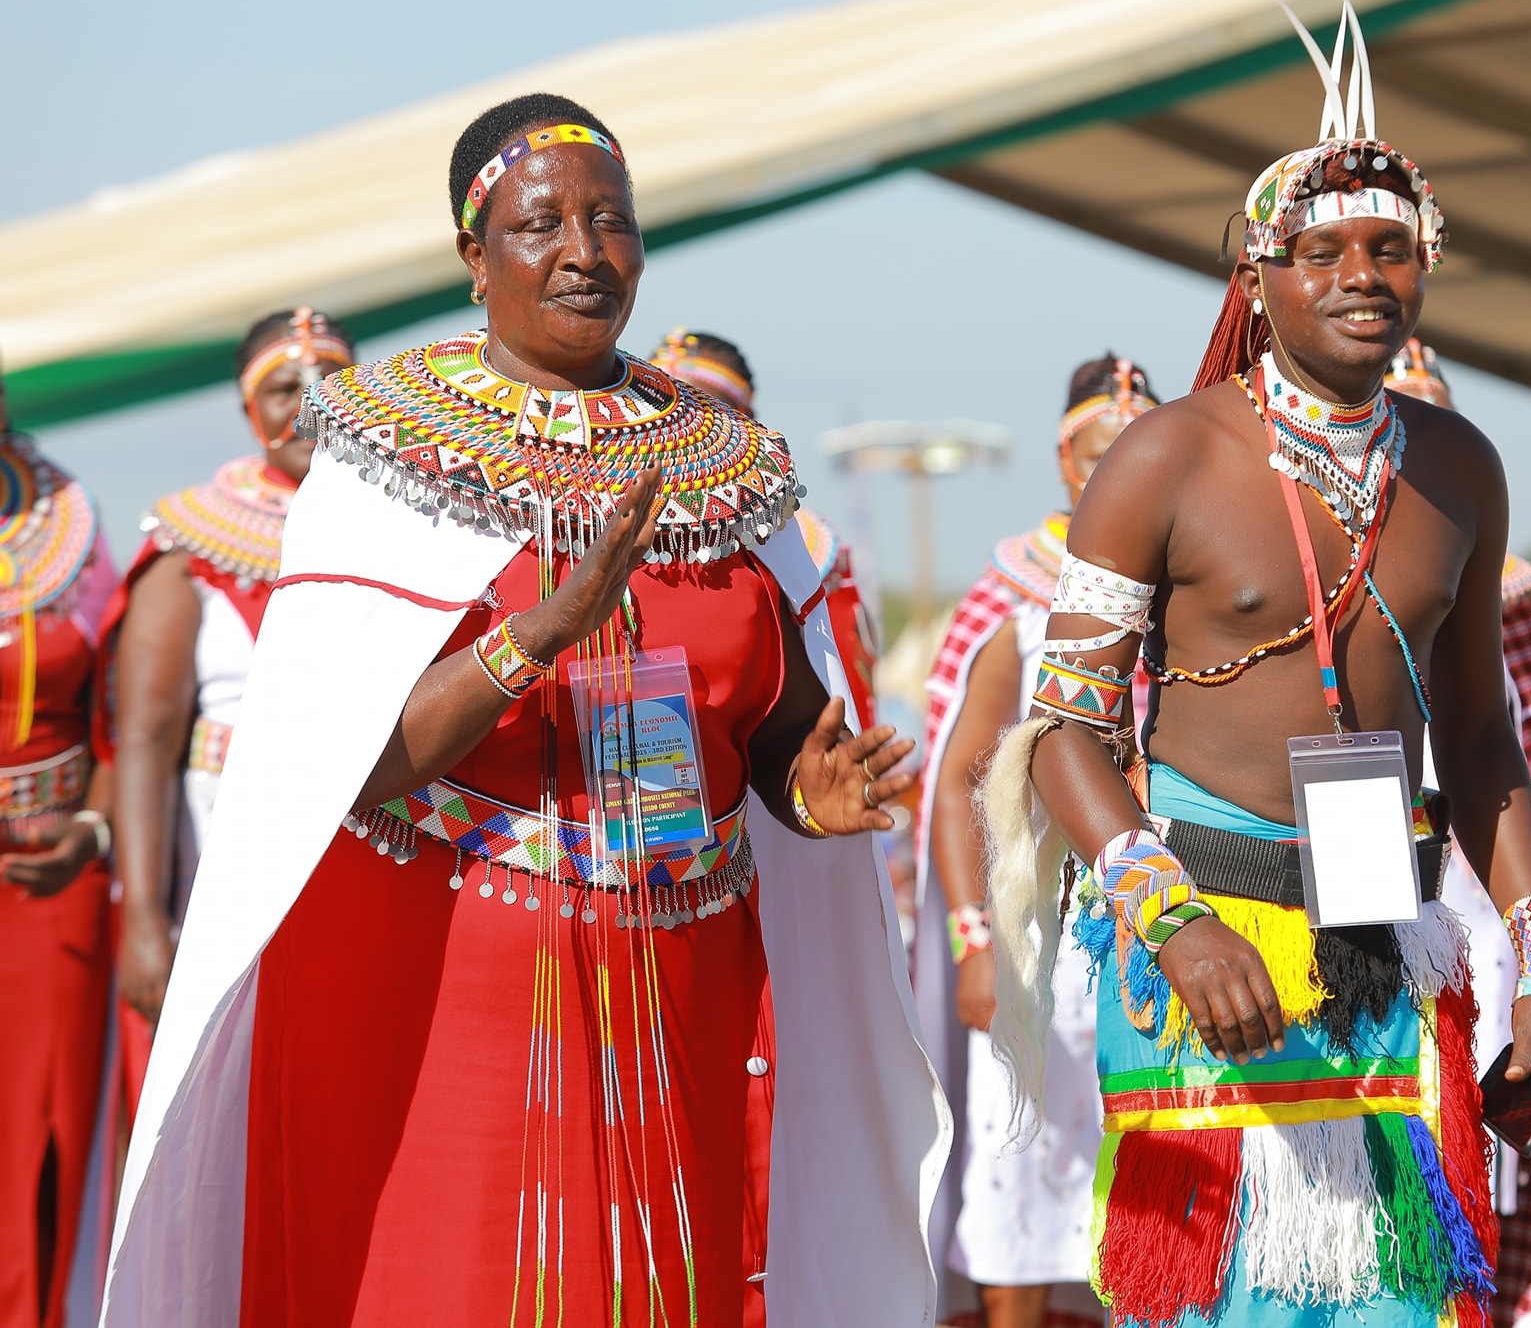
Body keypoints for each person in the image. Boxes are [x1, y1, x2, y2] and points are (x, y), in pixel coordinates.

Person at [102, 93, 948, 1328]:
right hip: (450, 972)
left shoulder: (715, 453)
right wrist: (534, 638)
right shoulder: (386, 455)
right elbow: (335, 765)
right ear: (472, 253)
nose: (582, 251)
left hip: (678, 963)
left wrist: (801, 790)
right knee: (459, 1280)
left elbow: (772, 712)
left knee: (661, 1280)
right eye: (538, 222)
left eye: (610, 220)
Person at [981, 6, 1531, 1328]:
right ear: (1257, 278)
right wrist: (1175, 922)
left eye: (1393, 249)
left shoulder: (1459, 464)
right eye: (1323, 252)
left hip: (1386, 930)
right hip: (1207, 930)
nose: (1365, 275)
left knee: (1393, 1295)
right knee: (1223, 1297)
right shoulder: (1167, 459)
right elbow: (1064, 730)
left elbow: (1483, 746)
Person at [917, 354, 1154, 1328]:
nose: (1115, 477)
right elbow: (956, 783)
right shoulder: (1018, 598)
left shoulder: (1179, 586)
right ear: (1064, 460)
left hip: (1149, 924)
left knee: (1135, 1170)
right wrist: (974, 938)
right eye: (1100, 456)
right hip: (1029, 929)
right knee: (1018, 1168)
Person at [99, 310, 354, 1071]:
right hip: (218, 847)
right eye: (283, 389)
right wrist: (144, 918)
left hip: (367, 837)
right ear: (249, 409)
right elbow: (144, 739)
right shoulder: (192, 540)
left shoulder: (410, 519)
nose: (306, 406)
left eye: (329, 384)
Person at [1383, 340, 1531, 1319]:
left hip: (1467, 898)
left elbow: (1509, 765)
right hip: (1318, 896)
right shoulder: (1295, 571)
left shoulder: (1496, 594)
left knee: (1458, 1157)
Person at [0, 367, 119, 1328]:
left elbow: (120, 701)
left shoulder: (66, 512)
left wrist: (94, 823)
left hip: (56, 874)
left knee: (45, 1128)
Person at [646, 327, 881, 730]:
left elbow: (843, 707)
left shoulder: (800, 548)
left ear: (744, 427)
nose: (674, 431)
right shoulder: (594, 530)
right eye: (655, 409)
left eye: (699, 414)